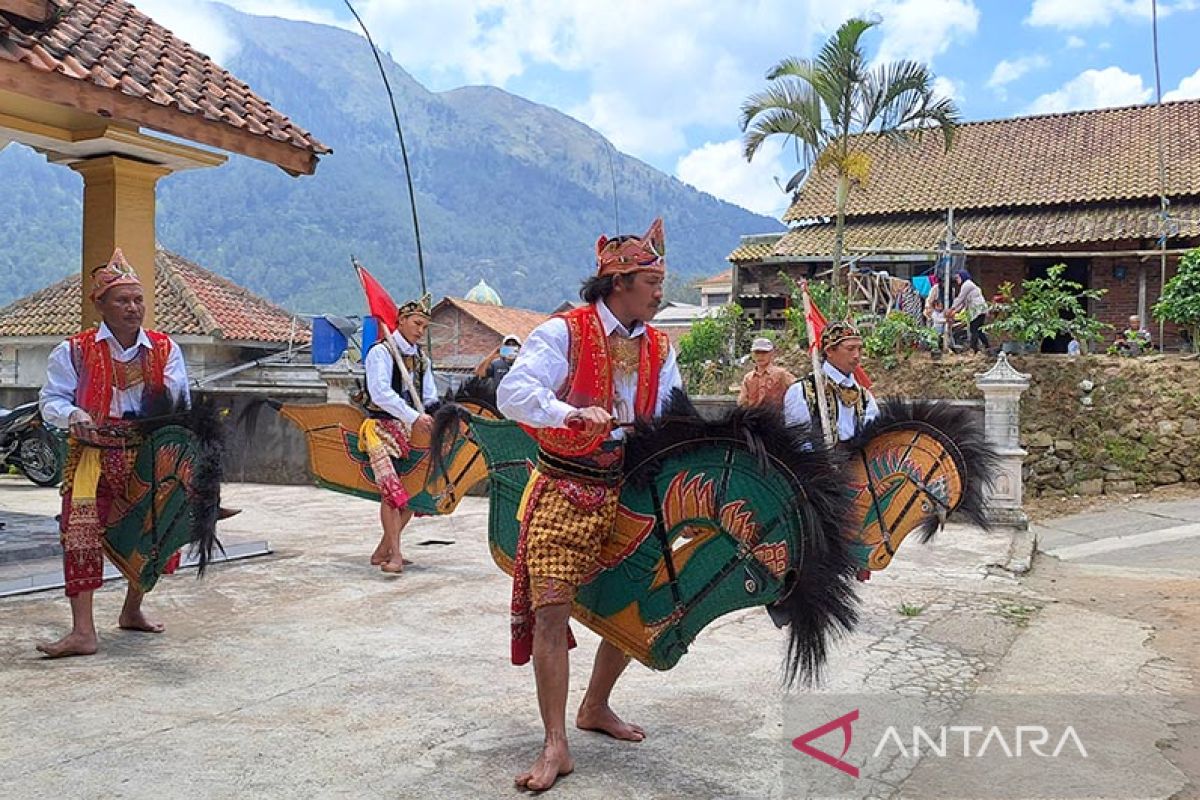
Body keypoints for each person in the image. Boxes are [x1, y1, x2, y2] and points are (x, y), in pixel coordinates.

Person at [497, 217, 682, 791]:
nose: (659, 293)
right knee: (551, 612)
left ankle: (595, 705)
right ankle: (556, 744)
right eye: (652, 282)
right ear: (619, 281)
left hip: (628, 487)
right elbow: (512, 393)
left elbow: (673, 411)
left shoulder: (660, 345)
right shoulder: (564, 333)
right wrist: (567, 413)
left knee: (634, 604)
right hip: (565, 486)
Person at [37, 249, 191, 658]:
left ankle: (132, 610)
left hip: (147, 454)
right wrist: (73, 414)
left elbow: (180, 401)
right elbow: (50, 400)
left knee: (152, 531)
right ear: (99, 304)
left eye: (138, 299)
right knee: (80, 534)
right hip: (92, 456)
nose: (133, 308)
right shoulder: (73, 350)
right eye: (122, 300)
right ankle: (83, 632)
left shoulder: (165, 349)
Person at [361, 295, 439, 574]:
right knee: (391, 494)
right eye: (417, 323)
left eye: (425, 327)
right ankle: (394, 555)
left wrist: (432, 415)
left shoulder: (421, 360)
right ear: (402, 320)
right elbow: (380, 393)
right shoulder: (380, 353)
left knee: (416, 493)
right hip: (381, 429)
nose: (420, 330)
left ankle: (382, 549)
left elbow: (430, 396)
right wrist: (413, 416)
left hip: (411, 430)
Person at [783, 321, 879, 442]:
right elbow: (799, 443)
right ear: (829, 351)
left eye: (860, 349)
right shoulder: (802, 392)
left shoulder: (865, 397)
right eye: (850, 349)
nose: (856, 355)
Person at [737, 337, 794, 411]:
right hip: (753, 418)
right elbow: (742, 403)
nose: (760, 356)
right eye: (757, 352)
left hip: (776, 418)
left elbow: (796, 390)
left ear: (771, 353)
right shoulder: (748, 378)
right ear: (752, 354)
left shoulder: (781, 374)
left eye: (764, 352)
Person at [949, 269, 990, 353]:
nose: (957, 280)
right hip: (979, 310)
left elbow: (960, 298)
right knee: (979, 330)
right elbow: (963, 303)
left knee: (974, 329)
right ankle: (987, 347)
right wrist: (955, 311)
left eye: (958, 278)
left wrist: (951, 309)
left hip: (977, 310)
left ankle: (974, 349)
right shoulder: (968, 285)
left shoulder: (967, 284)